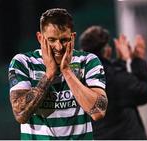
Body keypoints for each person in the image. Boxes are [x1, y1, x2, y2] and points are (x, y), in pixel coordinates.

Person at [8, 9, 108, 140]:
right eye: (52, 40)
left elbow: (98, 112)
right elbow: (20, 114)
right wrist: (49, 73)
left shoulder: (88, 61)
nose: (59, 47)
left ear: (73, 37)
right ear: (40, 38)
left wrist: (66, 71)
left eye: (64, 40)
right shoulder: (23, 62)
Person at [79, 25, 147, 140]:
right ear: (106, 50)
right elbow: (146, 92)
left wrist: (121, 62)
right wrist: (137, 59)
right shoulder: (116, 77)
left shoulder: (78, 79)